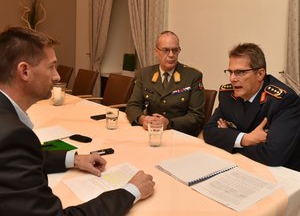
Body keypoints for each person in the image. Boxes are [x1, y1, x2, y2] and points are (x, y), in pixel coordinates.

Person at [0, 26, 155, 215]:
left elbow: (17, 158)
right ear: (24, 71)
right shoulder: (14, 136)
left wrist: (73, 159)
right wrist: (130, 191)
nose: (57, 76)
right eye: (51, 67)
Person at [203, 43, 300, 171]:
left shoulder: (284, 100)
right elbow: (209, 132)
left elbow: (273, 155)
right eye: (230, 72)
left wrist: (230, 137)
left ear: (260, 74)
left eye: (240, 72)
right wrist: (246, 139)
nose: (232, 79)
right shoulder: (227, 95)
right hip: (240, 166)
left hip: (282, 174)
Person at [125, 31, 205, 137]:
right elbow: (133, 105)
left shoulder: (192, 76)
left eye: (175, 50)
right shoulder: (145, 74)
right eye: (166, 50)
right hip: (151, 133)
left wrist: (169, 123)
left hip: (180, 135)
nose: (171, 55)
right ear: (156, 51)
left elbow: (197, 116)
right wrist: (142, 119)